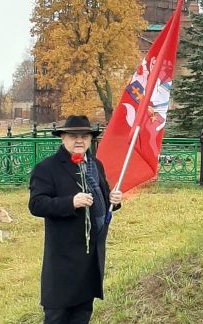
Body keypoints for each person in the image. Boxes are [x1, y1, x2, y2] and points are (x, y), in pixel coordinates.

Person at [29, 115, 122, 324]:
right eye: (73, 136)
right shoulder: (47, 168)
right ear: (62, 138)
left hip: (91, 254)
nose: (79, 140)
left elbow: (102, 196)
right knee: (57, 315)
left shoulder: (96, 164)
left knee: (83, 313)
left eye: (85, 136)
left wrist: (114, 200)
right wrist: (70, 202)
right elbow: (36, 204)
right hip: (63, 258)